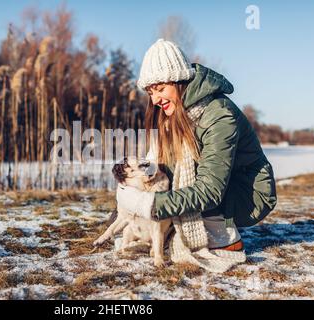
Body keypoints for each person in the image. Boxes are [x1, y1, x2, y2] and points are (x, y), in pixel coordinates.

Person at [115, 39, 277, 252]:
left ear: (179, 82)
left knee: (175, 218)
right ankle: (191, 224)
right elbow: (157, 165)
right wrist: (133, 192)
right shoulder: (173, 112)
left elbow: (210, 189)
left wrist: (150, 204)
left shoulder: (219, 115)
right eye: (150, 92)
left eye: (160, 89)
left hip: (246, 193)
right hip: (217, 187)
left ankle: (224, 235)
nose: (155, 100)